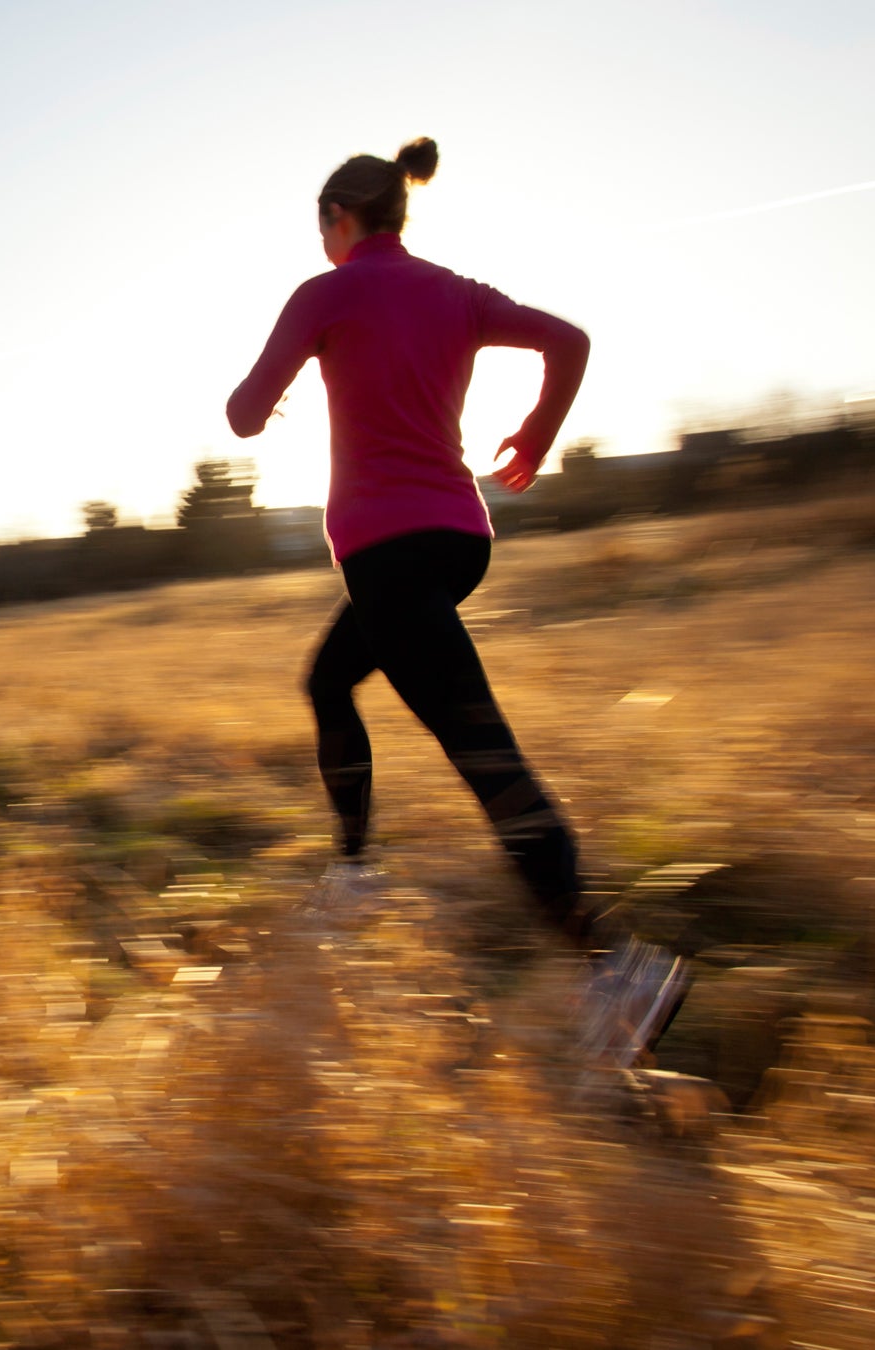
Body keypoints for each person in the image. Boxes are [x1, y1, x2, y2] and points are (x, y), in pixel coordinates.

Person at [224, 137, 685, 1072]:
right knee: (329, 681)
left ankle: (618, 967)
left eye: (321, 226)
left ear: (336, 220)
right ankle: (353, 874)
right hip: (456, 541)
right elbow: (570, 340)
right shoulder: (452, 290)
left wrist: (269, 396)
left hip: (389, 556)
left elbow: (241, 413)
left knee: (486, 758)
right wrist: (538, 434)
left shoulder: (327, 293)